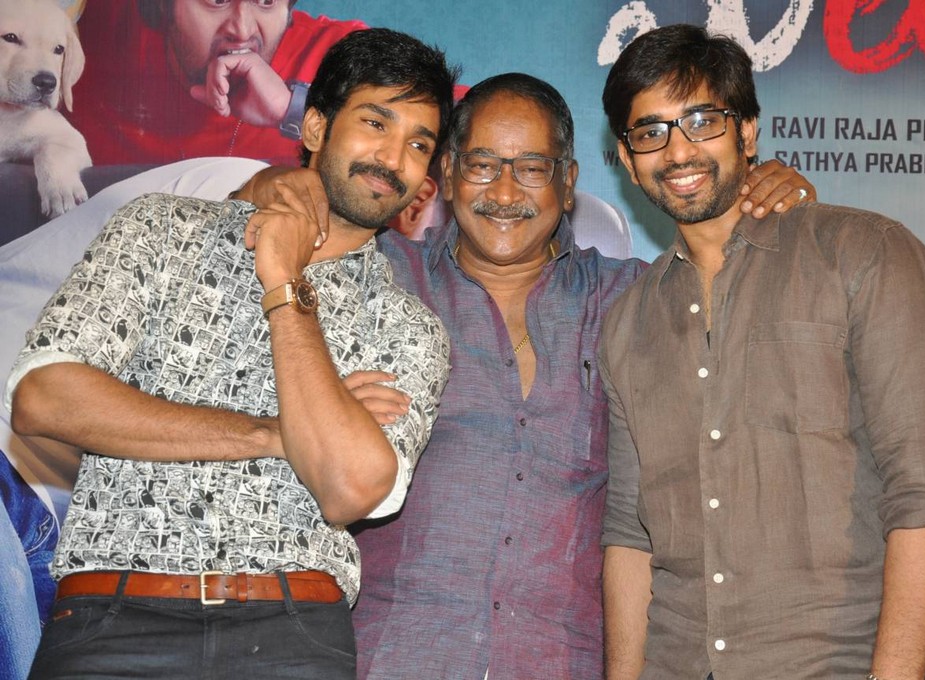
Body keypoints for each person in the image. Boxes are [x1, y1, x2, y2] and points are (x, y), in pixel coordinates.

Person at [236, 71, 816, 678]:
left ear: (568, 184)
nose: (506, 192)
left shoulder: (633, 300)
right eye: (483, 165)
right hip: (392, 653)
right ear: (448, 176)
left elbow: (753, 320)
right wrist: (268, 184)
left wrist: (786, 212)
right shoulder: (376, 277)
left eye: (533, 169)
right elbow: (237, 249)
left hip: (562, 659)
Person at [5, 28, 456, 679]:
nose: (393, 157)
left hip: (292, 630)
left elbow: (349, 488)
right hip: (112, 616)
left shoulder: (410, 329)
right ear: (315, 127)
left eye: (419, 144)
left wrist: (284, 282)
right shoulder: (163, 228)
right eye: (375, 123)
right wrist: (277, 433)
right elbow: (45, 398)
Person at [598, 24, 925, 680]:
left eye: (702, 121)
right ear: (628, 161)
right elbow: (631, 539)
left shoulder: (868, 257)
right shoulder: (628, 322)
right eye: (651, 131)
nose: (679, 150)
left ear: (747, 132)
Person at [68, 0, 367, 165]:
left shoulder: (340, 57)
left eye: (265, 1)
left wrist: (293, 109)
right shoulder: (91, 28)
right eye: (217, 1)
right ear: (161, 7)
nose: (242, 30)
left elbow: (394, 195)